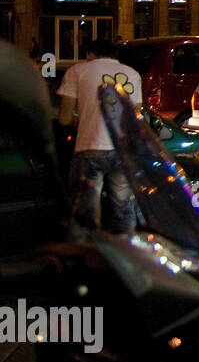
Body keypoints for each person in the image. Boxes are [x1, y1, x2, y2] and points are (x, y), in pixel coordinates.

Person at [56, 38, 143, 234]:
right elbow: (135, 116)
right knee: (123, 209)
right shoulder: (132, 74)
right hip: (122, 149)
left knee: (86, 211)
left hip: (90, 146)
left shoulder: (77, 72)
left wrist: (82, 120)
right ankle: (126, 254)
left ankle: (89, 253)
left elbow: (63, 118)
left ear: (89, 54)